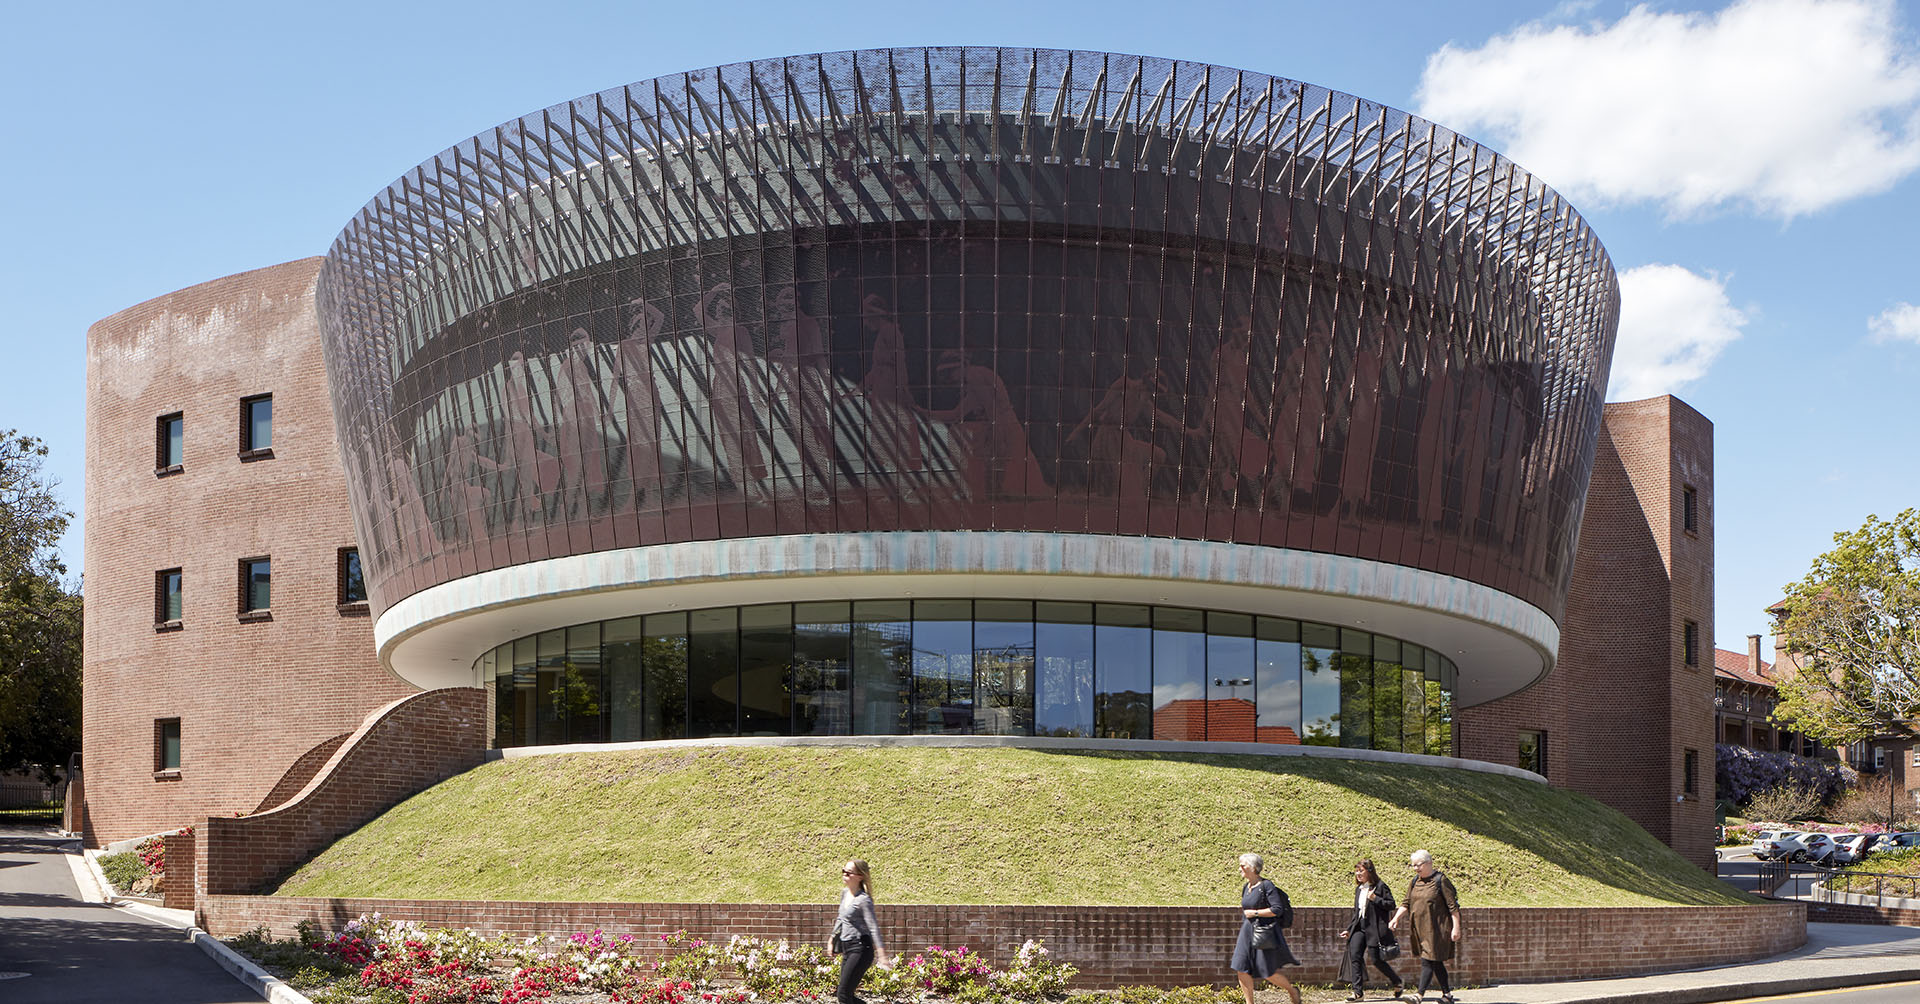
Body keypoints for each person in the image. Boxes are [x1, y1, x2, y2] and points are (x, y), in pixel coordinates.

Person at [1388, 850, 1461, 1004]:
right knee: (1436, 962)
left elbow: (1453, 907)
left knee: (1427, 960)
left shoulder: (1441, 880)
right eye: (1413, 865)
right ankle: (1447, 995)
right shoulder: (1415, 881)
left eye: (1418, 865)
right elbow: (1406, 903)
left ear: (1429, 863)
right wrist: (1396, 918)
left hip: (1437, 930)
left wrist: (1456, 928)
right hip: (1419, 929)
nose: (1415, 868)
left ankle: (1419, 995)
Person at [1229, 853, 1302, 1004]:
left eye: (1243, 865)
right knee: (1241, 968)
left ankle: (1292, 991)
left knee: (1267, 972)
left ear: (1252, 867)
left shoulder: (1266, 886)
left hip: (1263, 932)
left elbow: (1277, 909)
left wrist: (1255, 913)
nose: (1240, 869)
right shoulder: (1246, 887)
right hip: (1246, 932)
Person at [1338, 858, 1404, 1002]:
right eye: (1356, 871)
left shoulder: (1380, 886)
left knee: (1376, 960)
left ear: (1369, 871)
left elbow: (1391, 904)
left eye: (1361, 871)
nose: (1358, 874)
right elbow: (1357, 913)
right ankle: (1358, 993)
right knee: (1355, 957)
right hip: (1359, 928)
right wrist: (1349, 929)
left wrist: (1375, 898)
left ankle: (1397, 982)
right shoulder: (1359, 889)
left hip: (1374, 929)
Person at [828, 859, 888, 1004]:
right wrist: (832, 939)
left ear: (860, 876)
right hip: (847, 948)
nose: (845, 875)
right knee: (846, 995)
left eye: (849, 873)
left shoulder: (863, 900)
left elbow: (873, 927)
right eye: (843, 871)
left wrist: (882, 955)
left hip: (861, 949)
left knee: (843, 995)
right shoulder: (845, 894)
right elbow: (841, 918)